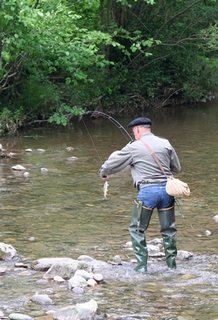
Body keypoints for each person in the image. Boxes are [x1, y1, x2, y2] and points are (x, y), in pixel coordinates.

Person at [99, 117, 181, 273]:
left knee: (137, 229)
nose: (134, 135)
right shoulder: (165, 143)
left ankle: (142, 267)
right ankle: (172, 266)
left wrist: (103, 172)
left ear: (137, 130)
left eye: (133, 132)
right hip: (167, 192)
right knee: (168, 230)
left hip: (147, 192)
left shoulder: (133, 147)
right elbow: (176, 168)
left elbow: (112, 164)